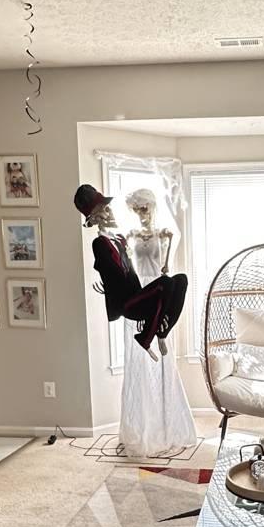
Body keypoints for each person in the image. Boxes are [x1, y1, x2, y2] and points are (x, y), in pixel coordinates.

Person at [118, 188, 196, 456]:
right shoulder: (129, 237)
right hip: (144, 292)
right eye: (137, 209)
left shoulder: (165, 234)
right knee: (140, 366)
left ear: (152, 208)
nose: (141, 214)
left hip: (161, 292)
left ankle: (166, 427)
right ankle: (142, 427)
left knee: (164, 366)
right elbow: (127, 272)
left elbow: (167, 268)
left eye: (145, 208)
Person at [73, 183, 187, 361]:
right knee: (166, 283)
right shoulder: (100, 243)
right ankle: (145, 337)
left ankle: (162, 331)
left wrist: (147, 295)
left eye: (108, 207)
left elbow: (128, 273)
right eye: (103, 210)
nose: (109, 212)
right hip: (127, 304)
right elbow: (113, 275)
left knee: (181, 280)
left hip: (137, 295)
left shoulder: (118, 239)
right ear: (94, 219)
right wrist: (109, 287)